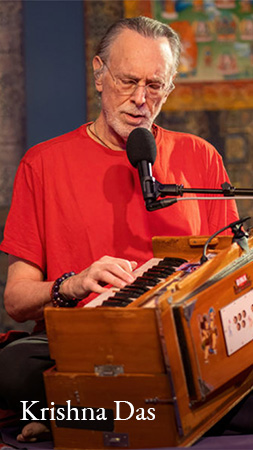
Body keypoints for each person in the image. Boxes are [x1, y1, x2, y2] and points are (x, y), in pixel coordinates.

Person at [0, 15, 243, 443]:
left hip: (182, 350)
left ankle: (84, 414)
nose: (140, 100)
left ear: (169, 88)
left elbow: (230, 283)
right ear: (99, 74)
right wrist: (73, 285)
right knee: (13, 370)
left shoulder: (198, 156)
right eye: (128, 81)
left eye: (155, 86)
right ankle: (134, 411)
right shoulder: (43, 163)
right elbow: (17, 300)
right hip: (85, 349)